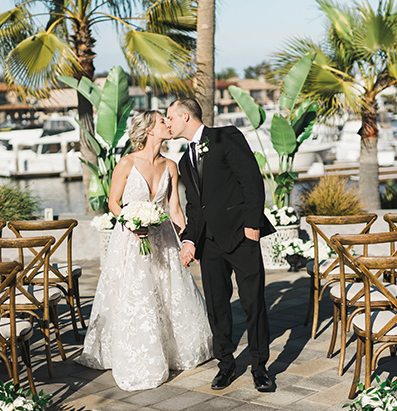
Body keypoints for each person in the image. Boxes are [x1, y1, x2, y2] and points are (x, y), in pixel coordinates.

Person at [78, 110, 212, 391]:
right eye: (163, 121)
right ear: (150, 130)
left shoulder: (171, 165)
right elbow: (113, 202)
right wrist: (129, 221)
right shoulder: (125, 164)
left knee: (167, 293)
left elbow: (174, 208)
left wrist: (188, 240)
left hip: (163, 239)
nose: (168, 124)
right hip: (130, 239)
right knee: (136, 297)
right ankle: (140, 356)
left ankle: (173, 350)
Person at [166, 98, 275, 392]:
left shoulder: (227, 136)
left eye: (170, 118)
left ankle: (260, 367)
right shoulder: (183, 160)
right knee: (217, 306)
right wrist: (190, 239)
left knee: (254, 303)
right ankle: (226, 365)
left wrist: (252, 224)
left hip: (241, 235)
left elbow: (252, 180)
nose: (168, 124)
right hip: (209, 244)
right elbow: (194, 206)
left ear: (185, 116)